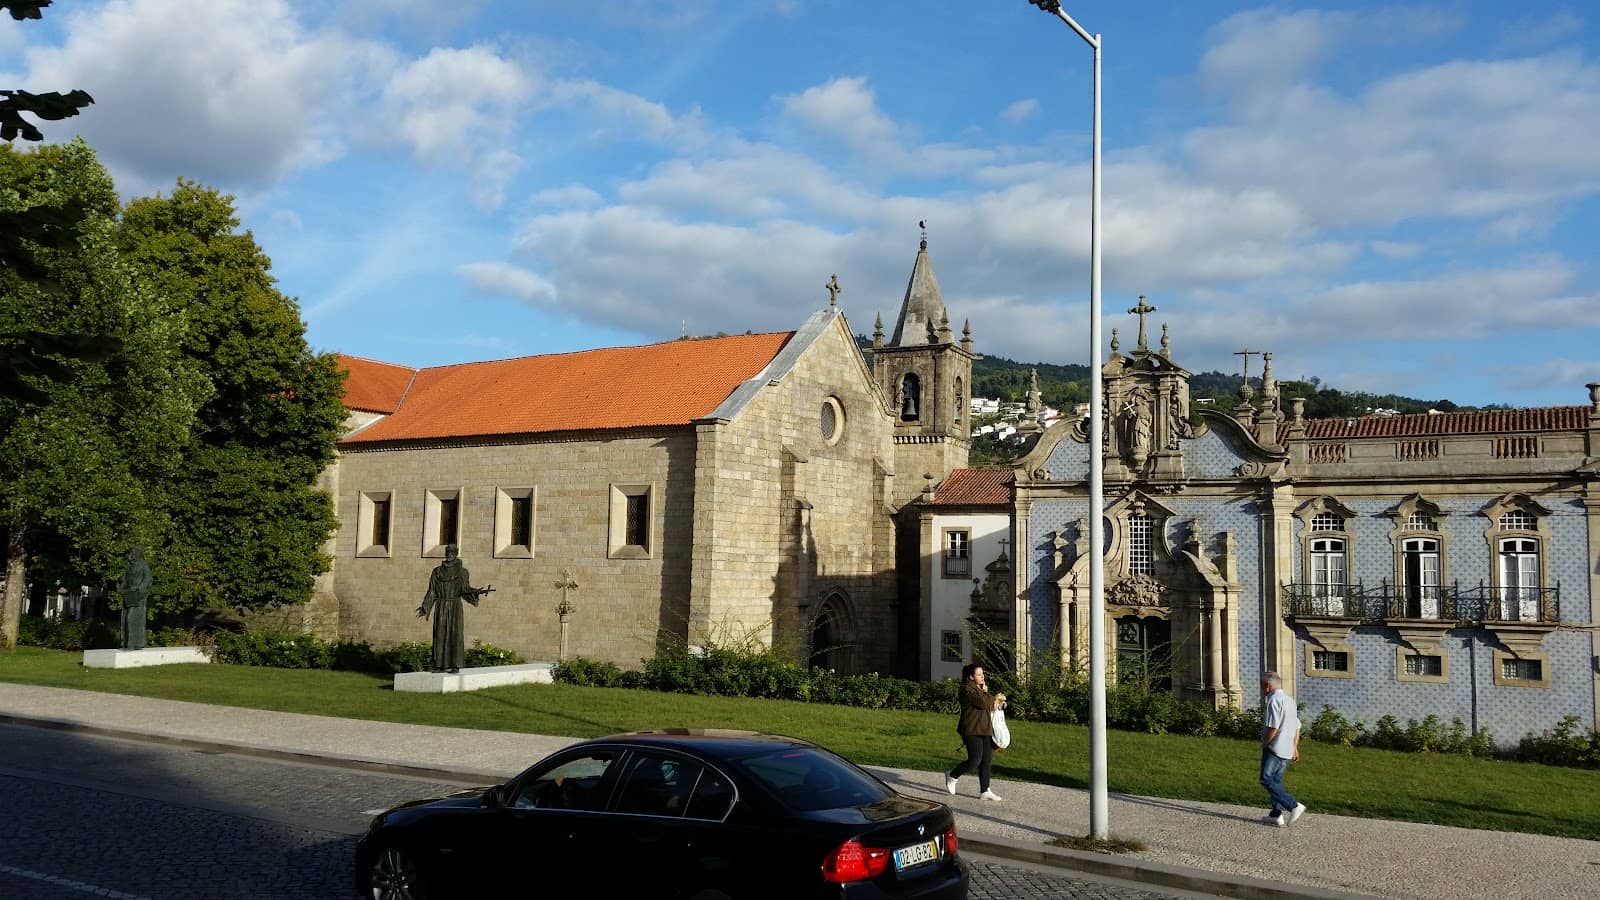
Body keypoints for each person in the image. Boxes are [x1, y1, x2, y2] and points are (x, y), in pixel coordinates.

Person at [415, 545, 492, 673]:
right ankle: (439, 665)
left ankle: (455, 665)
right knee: (439, 634)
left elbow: (464, 589)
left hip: (455, 607)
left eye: (452, 552)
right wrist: (425, 606)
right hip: (441, 607)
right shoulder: (437, 571)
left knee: (455, 634)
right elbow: (432, 591)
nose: (449, 554)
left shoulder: (462, 572)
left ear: (456, 554)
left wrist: (475, 592)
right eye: (448, 552)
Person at [944, 663, 1002, 801]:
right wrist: (987, 694)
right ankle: (952, 775)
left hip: (985, 728)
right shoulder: (966, 689)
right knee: (975, 760)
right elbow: (983, 703)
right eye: (979, 674)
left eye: (983, 674)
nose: (982, 677)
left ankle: (985, 790)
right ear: (971, 676)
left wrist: (996, 701)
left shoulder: (980, 689)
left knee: (986, 759)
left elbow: (989, 703)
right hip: (971, 728)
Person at [1259, 670, 1305, 827]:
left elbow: (1274, 726)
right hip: (1287, 748)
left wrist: (1265, 742)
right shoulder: (1289, 700)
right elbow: (1297, 725)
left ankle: (1293, 805)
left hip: (1275, 747)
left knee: (1266, 779)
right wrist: (1295, 747)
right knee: (1275, 781)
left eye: (1261, 686)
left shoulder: (1273, 701)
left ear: (1267, 686)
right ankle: (1276, 814)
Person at [116, 546, 153, 651]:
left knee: (131, 618)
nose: (133, 554)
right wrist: (121, 582)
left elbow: (148, 579)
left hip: (138, 596)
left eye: (134, 552)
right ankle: (125, 642)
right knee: (124, 618)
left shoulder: (144, 565)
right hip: (128, 594)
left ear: (139, 553)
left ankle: (133, 643)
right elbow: (125, 579)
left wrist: (139, 587)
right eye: (132, 553)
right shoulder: (128, 565)